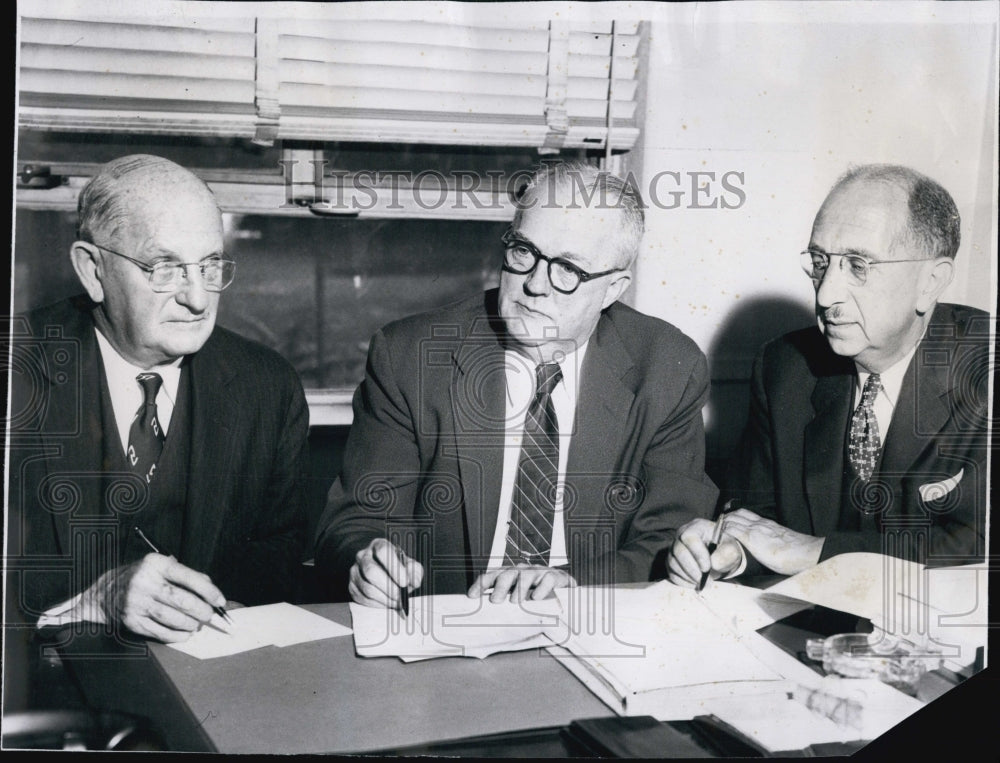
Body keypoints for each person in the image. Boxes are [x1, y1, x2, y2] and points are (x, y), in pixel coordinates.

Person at [315, 162, 718, 607]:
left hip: (591, 628)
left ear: (613, 289)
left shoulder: (667, 369)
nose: (534, 284)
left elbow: (670, 540)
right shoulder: (410, 356)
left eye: (567, 269)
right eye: (524, 251)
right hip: (444, 639)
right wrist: (368, 562)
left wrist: (574, 586)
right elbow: (357, 520)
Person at [6, 154, 309, 642]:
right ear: (92, 270)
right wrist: (91, 602)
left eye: (210, 266)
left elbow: (279, 551)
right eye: (165, 268)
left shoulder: (266, 386)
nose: (197, 298)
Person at [669, 164, 989, 587]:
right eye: (821, 262)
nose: (825, 295)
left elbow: (977, 550)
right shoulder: (786, 368)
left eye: (858, 265)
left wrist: (815, 552)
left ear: (931, 282)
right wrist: (731, 553)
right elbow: (758, 518)